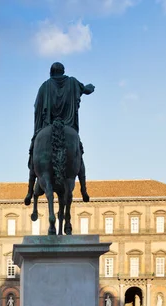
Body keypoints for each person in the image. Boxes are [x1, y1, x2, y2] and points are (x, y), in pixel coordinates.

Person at [26, 62, 94, 203]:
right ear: (63, 71)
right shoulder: (72, 82)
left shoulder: (44, 86)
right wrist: (89, 87)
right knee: (79, 155)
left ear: (51, 72)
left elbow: (37, 108)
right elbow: (86, 89)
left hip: (47, 125)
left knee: (33, 152)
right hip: (69, 125)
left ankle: (29, 192)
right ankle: (83, 190)